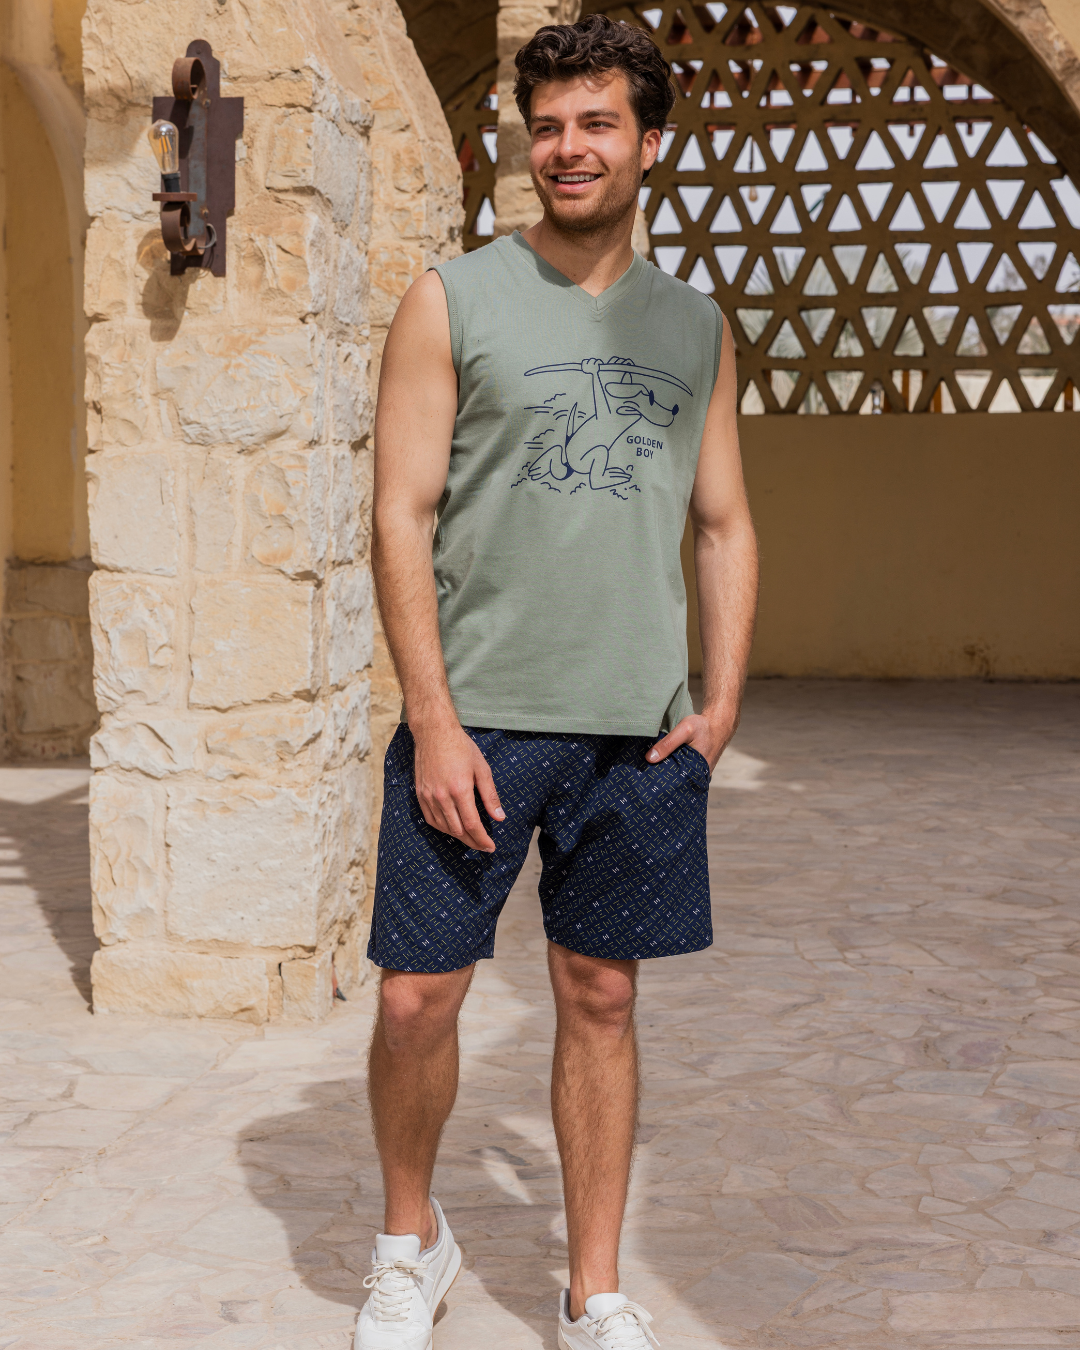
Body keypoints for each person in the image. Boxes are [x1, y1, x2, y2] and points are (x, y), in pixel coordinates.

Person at [357, 14, 758, 1350]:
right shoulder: (452, 299)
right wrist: (430, 715)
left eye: (596, 123)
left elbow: (723, 522)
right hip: (472, 720)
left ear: (651, 142)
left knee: (602, 995)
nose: (568, 148)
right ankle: (408, 1245)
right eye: (547, 126)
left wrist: (723, 699)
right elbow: (400, 511)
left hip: (633, 733)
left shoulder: (696, 327)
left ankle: (594, 1290)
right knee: (415, 996)